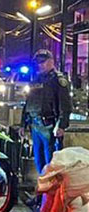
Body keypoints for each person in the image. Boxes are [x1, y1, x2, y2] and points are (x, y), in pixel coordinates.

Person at [24, 48, 72, 176]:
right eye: (38, 62)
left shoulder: (58, 80)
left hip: (49, 126)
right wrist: (23, 124)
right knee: (39, 162)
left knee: (51, 163)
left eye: (43, 61)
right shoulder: (37, 79)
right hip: (35, 125)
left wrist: (61, 125)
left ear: (51, 61)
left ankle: (50, 188)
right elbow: (29, 103)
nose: (40, 65)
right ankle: (43, 187)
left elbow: (65, 105)